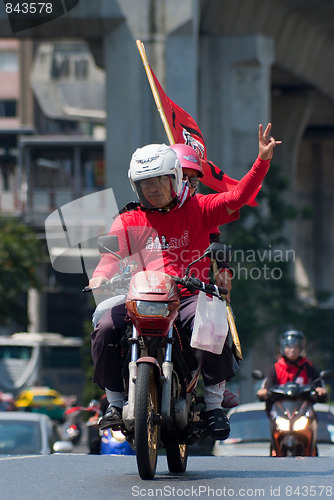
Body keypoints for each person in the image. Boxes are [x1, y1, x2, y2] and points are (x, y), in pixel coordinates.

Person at [89, 123, 280, 440]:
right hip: (144, 295)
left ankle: (215, 405)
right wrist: (99, 275)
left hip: (189, 295)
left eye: (158, 181)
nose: (151, 189)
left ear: (174, 179)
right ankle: (114, 403)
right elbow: (110, 256)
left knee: (211, 323)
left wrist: (262, 160)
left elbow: (240, 195)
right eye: (144, 183)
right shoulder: (128, 218)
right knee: (106, 326)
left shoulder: (200, 207)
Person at [257, 330, 327, 401]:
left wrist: (319, 390)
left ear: (300, 348)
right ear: (283, 348)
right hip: (280, 407)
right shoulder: (275, 368)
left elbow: (317, 384)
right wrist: (264, 391)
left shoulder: (308, 367)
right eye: (289, 347)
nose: (292, 350)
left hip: (303, 407)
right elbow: (268, 385)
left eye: (296, 347)